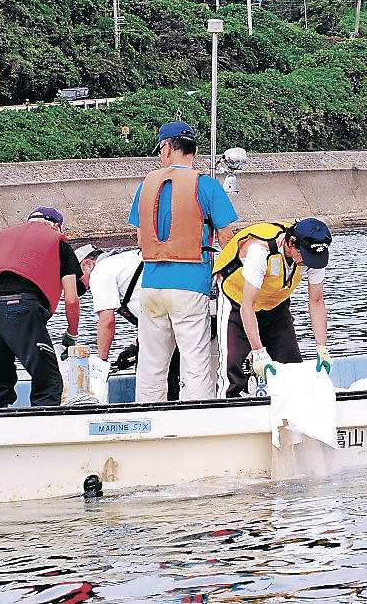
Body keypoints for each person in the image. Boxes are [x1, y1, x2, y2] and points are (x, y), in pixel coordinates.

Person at [127, 121, 238, 402]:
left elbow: (141, 238)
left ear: (166, 149)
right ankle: (196, 419)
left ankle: (147, 419)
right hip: (191, 284)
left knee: (151, 364)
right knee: (196, 362)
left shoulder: (146, 186)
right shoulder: (207, 186)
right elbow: (227, 237)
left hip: (151, 284)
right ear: (195, 152)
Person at [0, 206, 82, 407]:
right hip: (21, 308)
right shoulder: (57, 242)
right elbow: (71, 299)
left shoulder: (1, 244)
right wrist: (71, 335)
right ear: (56, 226)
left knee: (0, 385)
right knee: (48, 383)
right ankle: (43, 433)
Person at [213, 218, 332, 398]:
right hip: (237, 300)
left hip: (274, 302)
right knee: (233, 368)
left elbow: (316, 301)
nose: (309, 263)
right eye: (306, 257)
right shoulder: (260, 251)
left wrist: (322, 348)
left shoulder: (313, 255)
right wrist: (258, 351)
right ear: (291, 243)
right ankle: (228, 410)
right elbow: (247, 307)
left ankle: (292, 416)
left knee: (291, 365)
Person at [75, 244, 184, 401]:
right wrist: (135, 345)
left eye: (80, 282)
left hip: (168, 319)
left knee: (154, 377)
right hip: (177, 312)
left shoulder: (100, 271)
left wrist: (101, 363)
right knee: (173, 374)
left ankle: (155, 414)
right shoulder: (124, 262)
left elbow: (106, 320)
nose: (85, 287)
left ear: (88, 264)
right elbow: (146, 305)